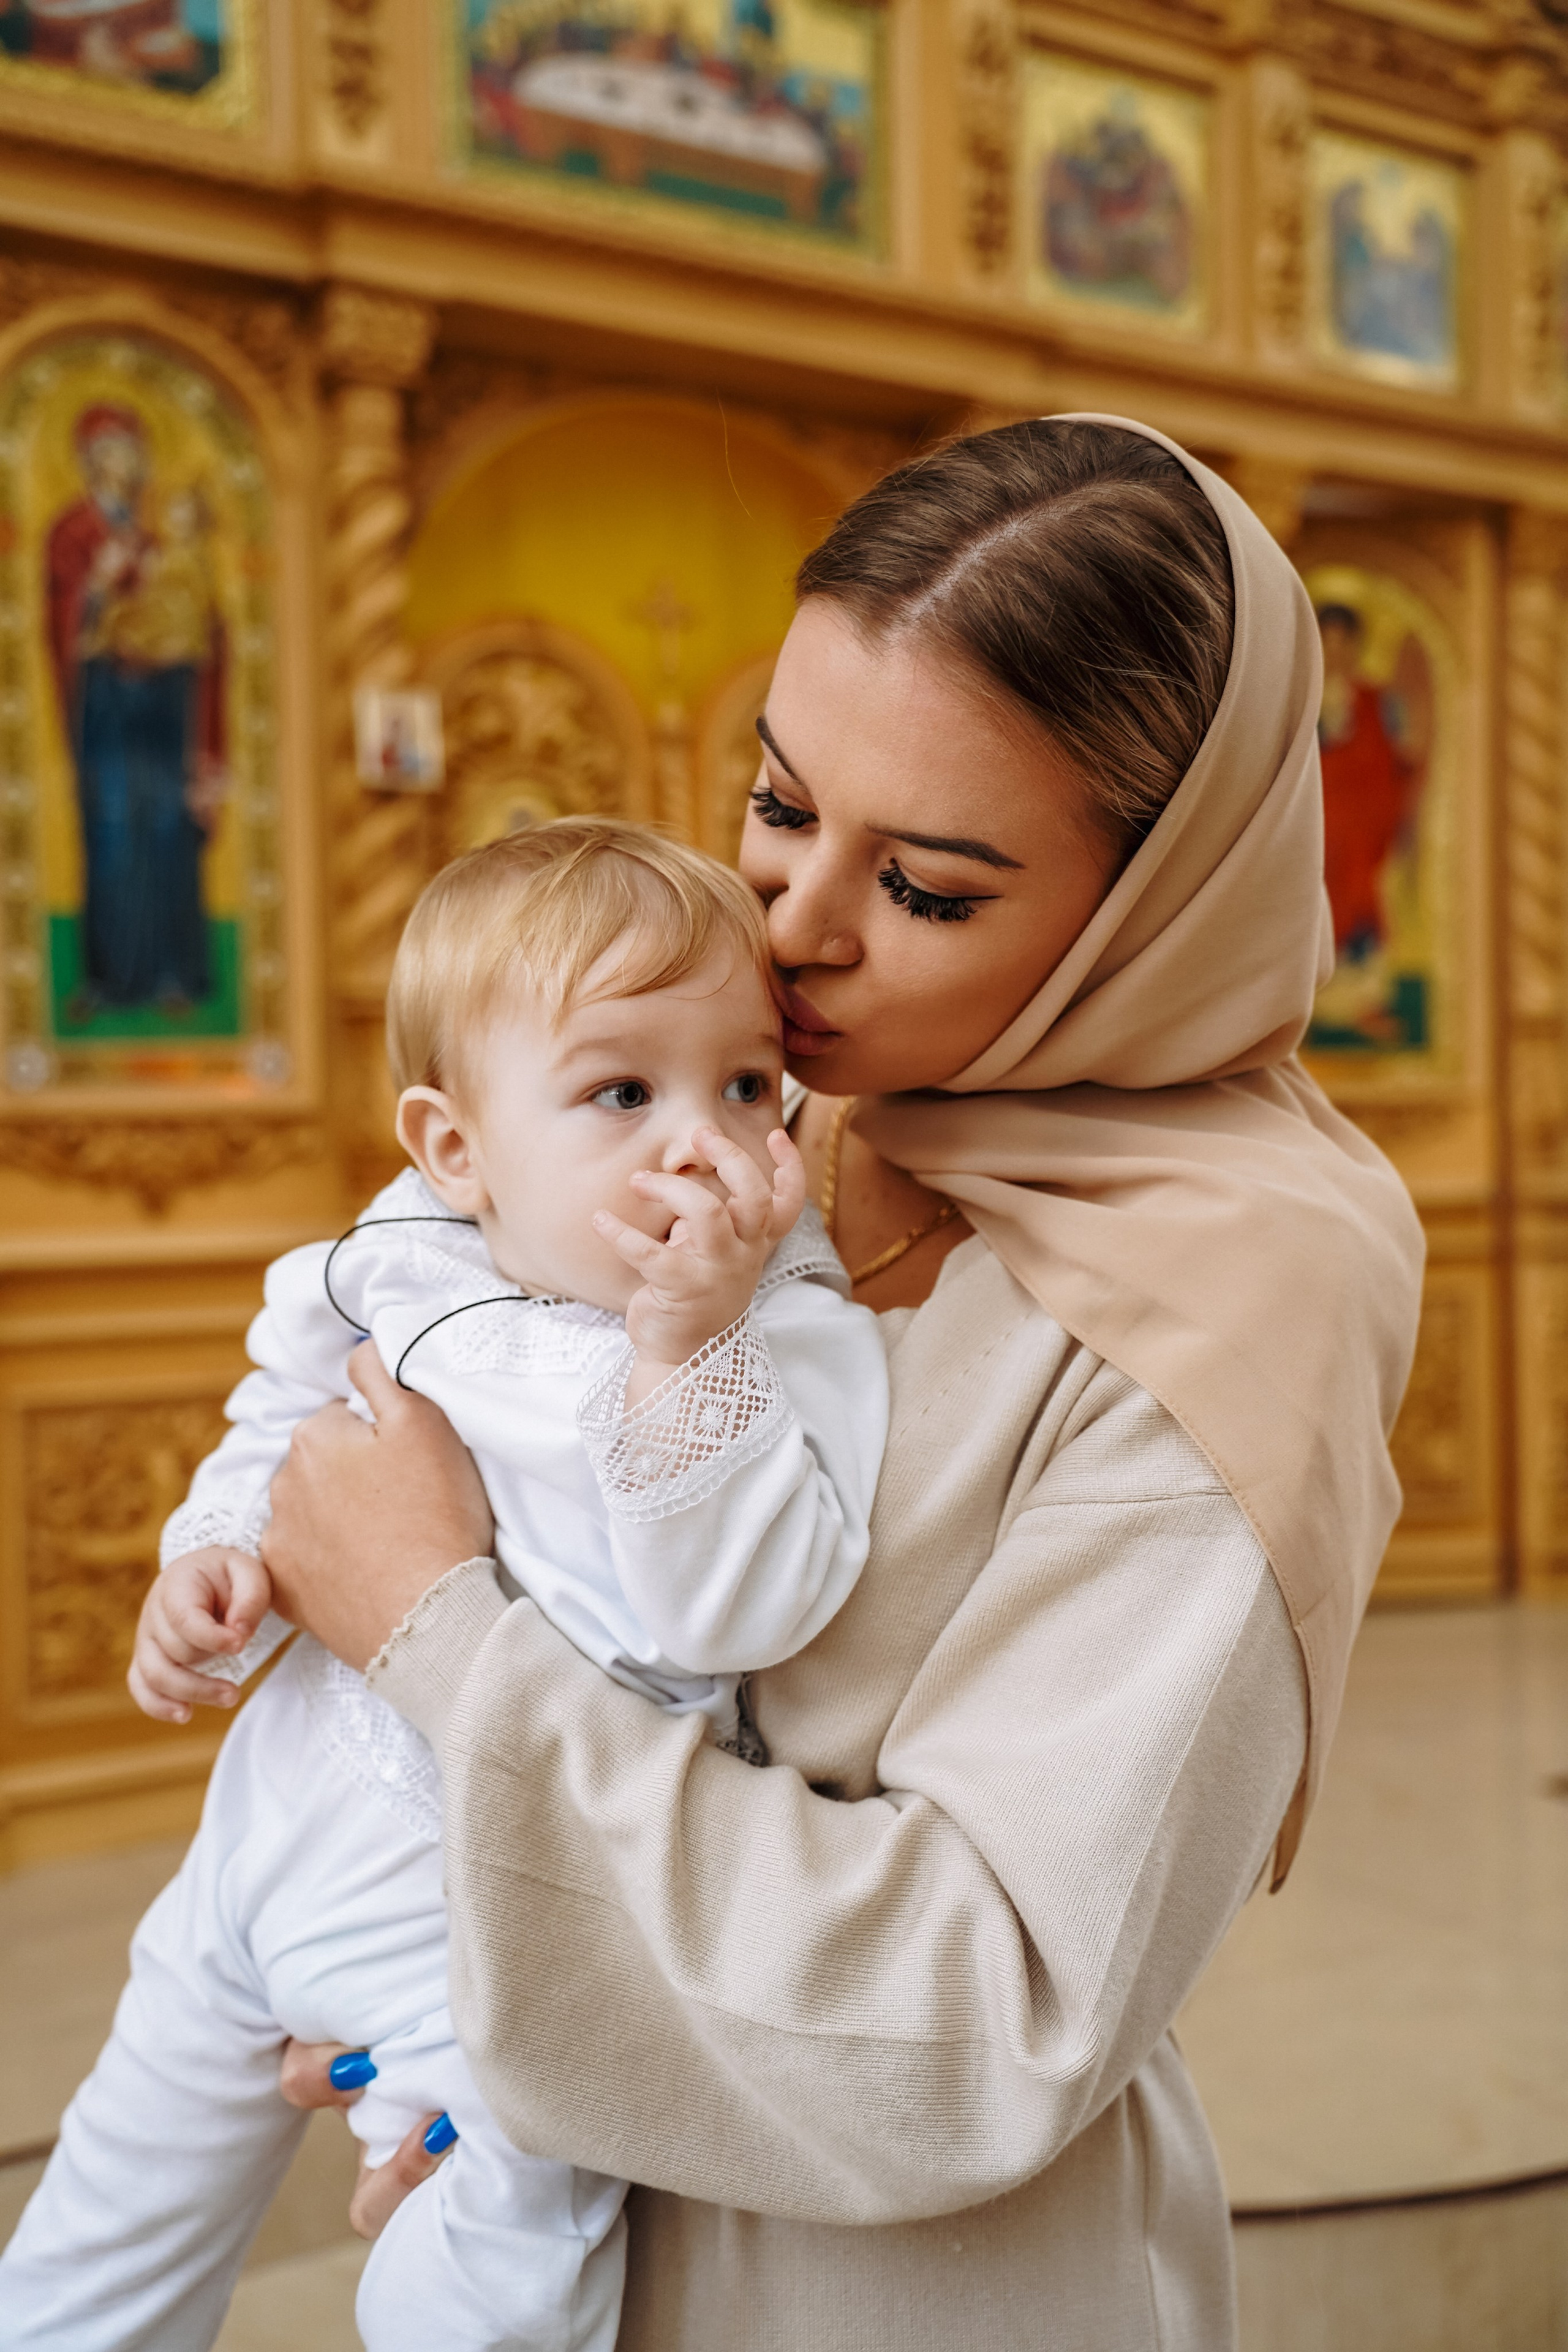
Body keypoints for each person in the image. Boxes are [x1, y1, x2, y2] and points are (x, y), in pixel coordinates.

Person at [228, 417, 1430, 2349]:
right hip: (612, 2187)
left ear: (1153, 904)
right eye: (779, 804)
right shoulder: (791, 1115)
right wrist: (442, 1981)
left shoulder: (1241, 1285)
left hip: (912, 2282)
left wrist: (435, 1643)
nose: (788, 933)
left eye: (931, 887)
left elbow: (986, 2005)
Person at [0, 823, 888, 2352]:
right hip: (261, 1847)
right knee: (100, 2237)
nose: (700, 1143)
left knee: (507, 2242)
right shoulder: (399, 1258)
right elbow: (281, 1418)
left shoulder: (782, 1333)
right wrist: (210, 1552)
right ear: (455, 1145)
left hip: (491, 1928)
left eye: (745, 1085)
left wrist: (687, 1354)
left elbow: (734, 1614)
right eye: (623, 1090)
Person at [45, 407, 225, 1019]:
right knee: (114, 833)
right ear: (92, 460)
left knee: (170, 832)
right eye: (111, 452)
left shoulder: (157, 540)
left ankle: (175, 974)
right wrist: (98, 587)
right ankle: (111, 978)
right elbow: (63, 616)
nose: (125, 465)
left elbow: (203, 622)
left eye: (131, 451)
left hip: (164, 707)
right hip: (108, 710)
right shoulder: (74, 531)